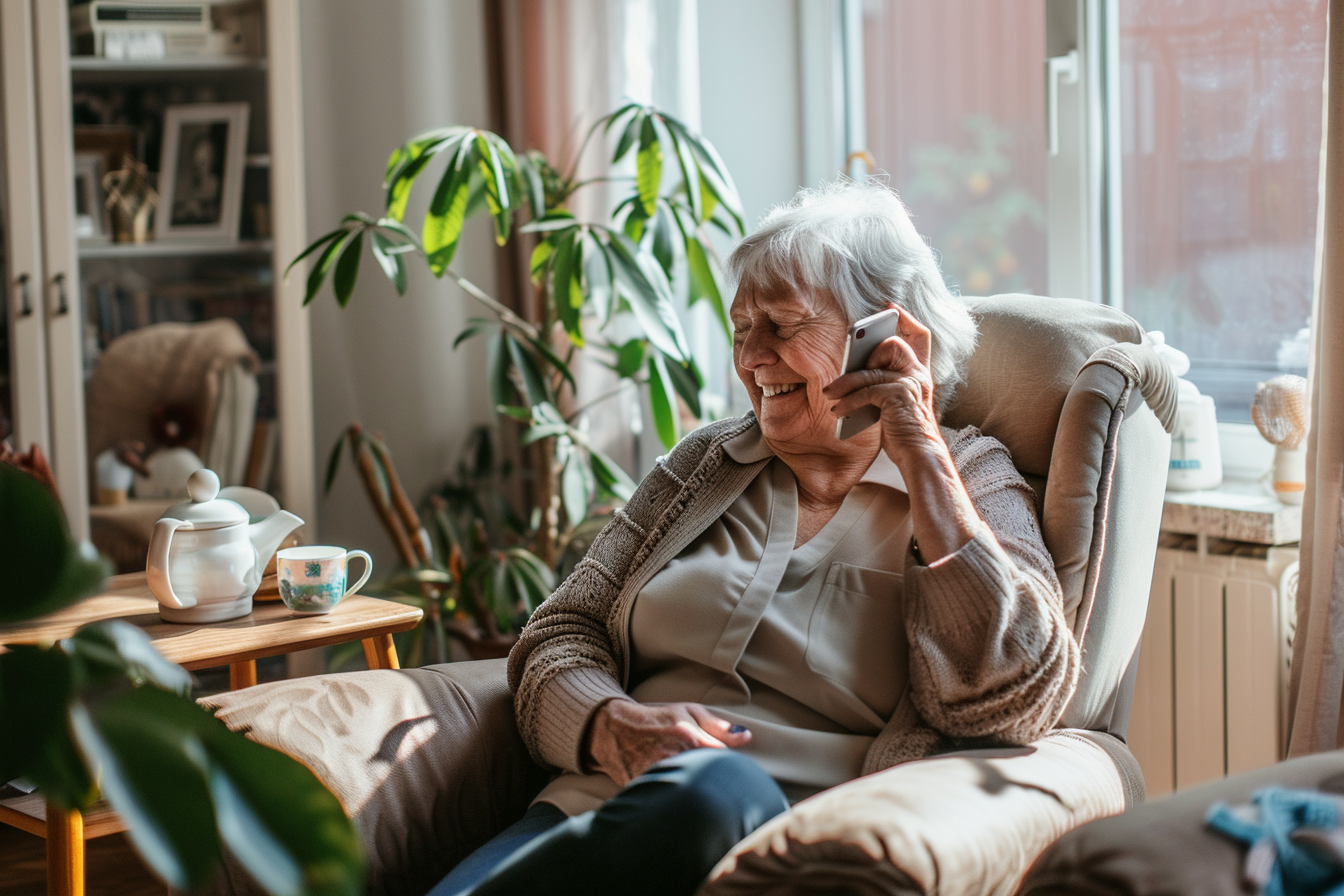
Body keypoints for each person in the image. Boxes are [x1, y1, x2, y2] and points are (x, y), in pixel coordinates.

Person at [427, 180, 1080, 896]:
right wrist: (610, 727)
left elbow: (1018, 698)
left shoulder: (971, 480)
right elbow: (561, 629)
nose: (752, 358)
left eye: (782, 324)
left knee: (715, 788)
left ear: (885, 336)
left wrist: (921, 452)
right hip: (593, 820)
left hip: (780, 856)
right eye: (742, 329)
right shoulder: (704, 465)